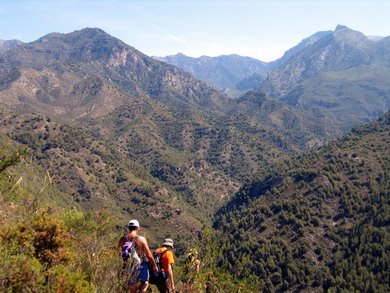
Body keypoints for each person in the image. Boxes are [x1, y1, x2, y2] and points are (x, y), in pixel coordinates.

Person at [118, 219, 158, 293]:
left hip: (127, 265)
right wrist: (154, 265)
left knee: (131, 285)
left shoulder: (122, 239)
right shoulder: (141, 239)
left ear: (129, 228)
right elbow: (149, 255)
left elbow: (118, 254)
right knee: (145, 282)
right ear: (137, 228)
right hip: (141, 264)